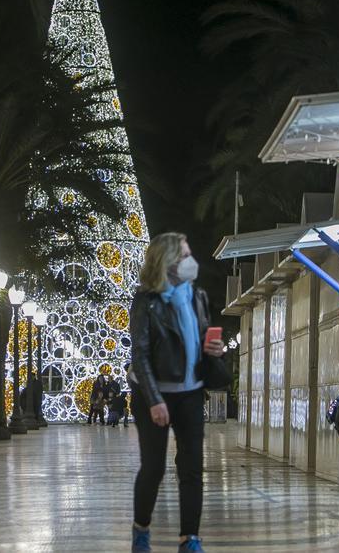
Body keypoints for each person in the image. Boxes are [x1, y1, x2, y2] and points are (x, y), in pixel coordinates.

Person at [129, 232, 224, 553]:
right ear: (166, 262)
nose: (190, 261)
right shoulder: (146, 301)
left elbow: (199, 340)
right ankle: (141, 529)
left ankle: (190, 539)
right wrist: (154, 400)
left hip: (191, 392)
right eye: (184, 256)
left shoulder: (197, 295)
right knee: (153, 468)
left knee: (191, 468)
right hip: (153, 395)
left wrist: (215, 349)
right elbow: (139, 355)